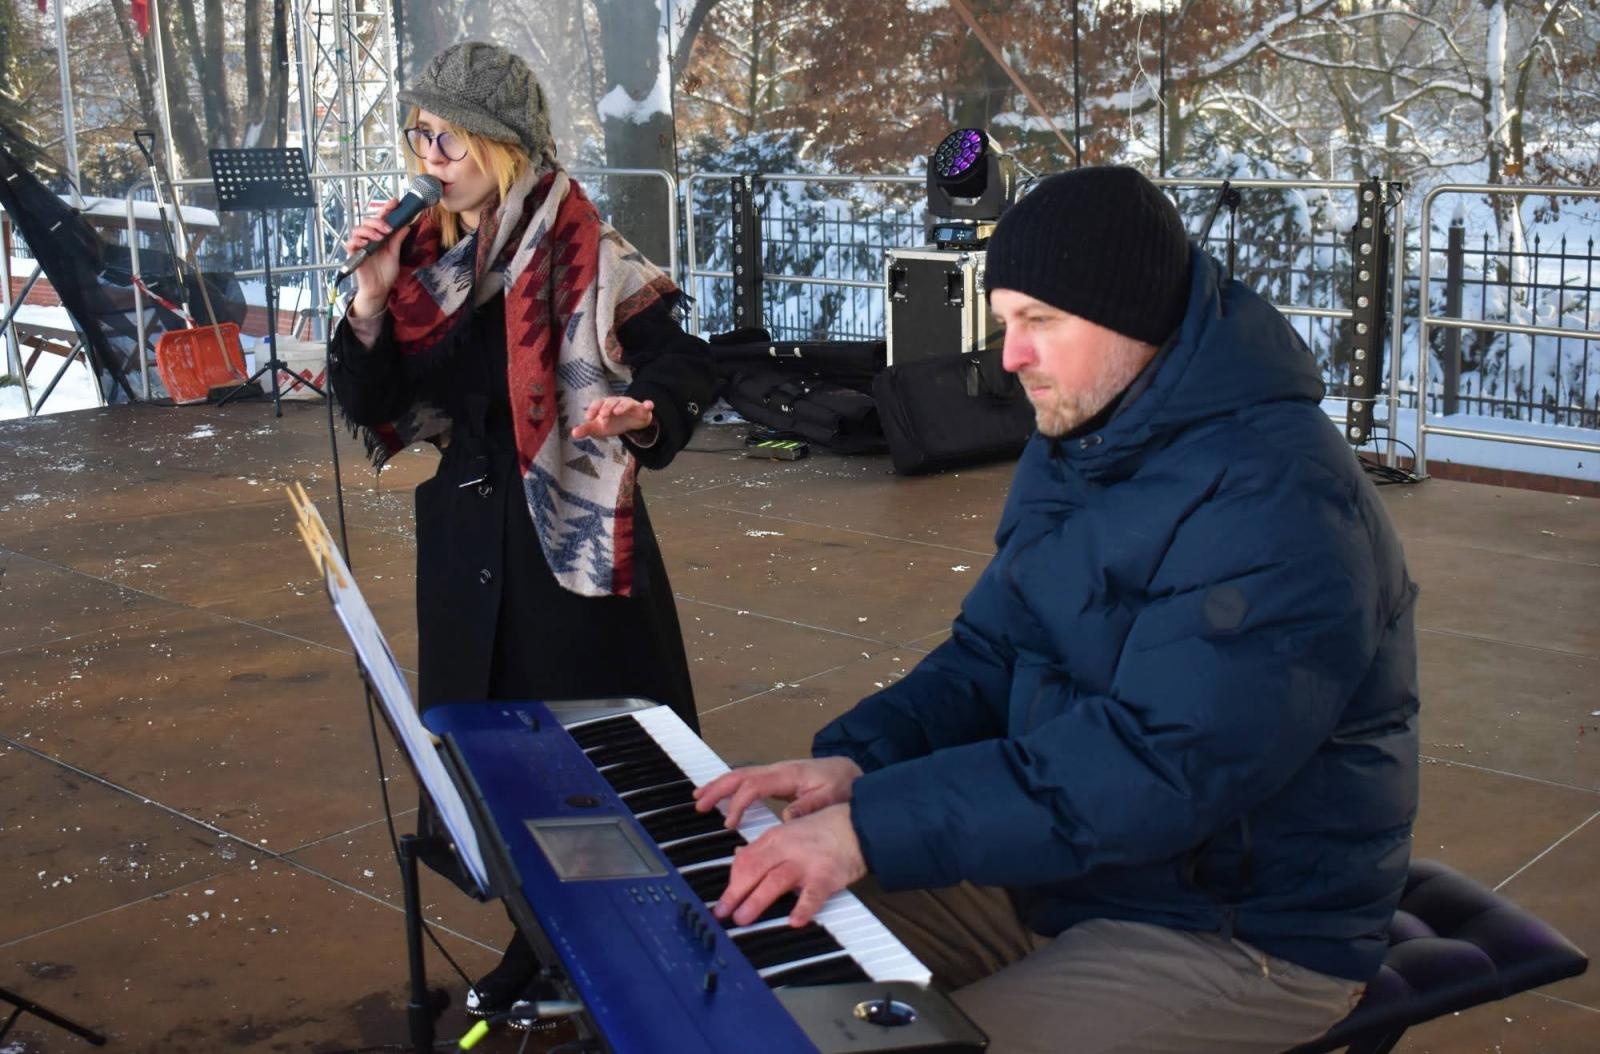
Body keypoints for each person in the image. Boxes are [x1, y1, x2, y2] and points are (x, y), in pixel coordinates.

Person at [694, 166, 1419, 1054]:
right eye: (1006, 321)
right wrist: (860, 762)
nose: (1010, 356)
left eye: (1040, 321)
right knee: (738, 936)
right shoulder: (1084, 432)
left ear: (1134, 317)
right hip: (1074, 870)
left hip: (1233, 929)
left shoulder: (1283, 501)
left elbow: (1160, 765)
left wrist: (875, 827)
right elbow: (994, 653)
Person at [327, 41, 715, 1022]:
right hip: (467, 543)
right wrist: (369, 300)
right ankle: (535, 940)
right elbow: (370, 401)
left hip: (567, 544)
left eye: (447, 137)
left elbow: (684, 363)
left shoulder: (586, 247)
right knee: (491, 766)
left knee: (587, 768)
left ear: (503, 145)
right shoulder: (420, 259)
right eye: (419, 133)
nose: (428, 155)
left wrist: (644, 413)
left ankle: (626, 950)